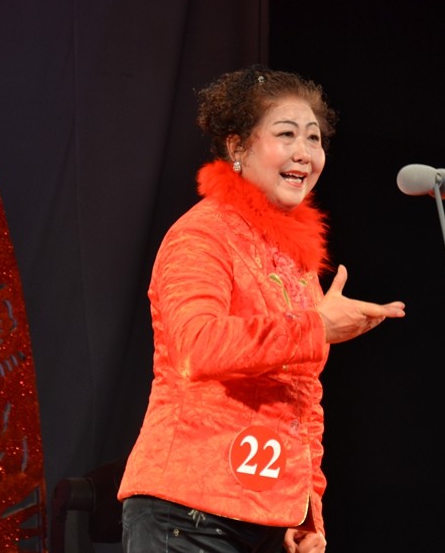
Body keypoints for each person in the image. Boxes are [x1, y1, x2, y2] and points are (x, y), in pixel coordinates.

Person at [117, 65, 406, 552]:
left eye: (314, 138)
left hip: (266, 513)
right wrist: (314, 326)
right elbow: (197, 347)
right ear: (237, 147)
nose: (304, 152)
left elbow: (301, 398)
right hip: (188, 510)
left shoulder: (295, 260)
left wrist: (306, 508)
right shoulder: (201, 235)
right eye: (286, 134)